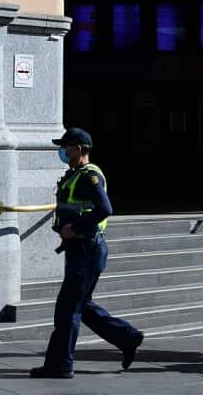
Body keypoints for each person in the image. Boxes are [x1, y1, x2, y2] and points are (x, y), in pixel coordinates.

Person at [31, 127, 143, 379]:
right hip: (83, 249)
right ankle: (127, 337)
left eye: (66, 145)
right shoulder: (76, 175)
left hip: (86, 249)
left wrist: (76, 227)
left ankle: (60, 365)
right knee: (82, 305)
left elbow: (105, 208)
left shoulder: (89, 176)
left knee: (67, 309)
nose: (62, 150)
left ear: (80, 148)